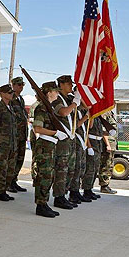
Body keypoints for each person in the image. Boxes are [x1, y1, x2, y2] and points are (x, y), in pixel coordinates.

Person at [32, 82, 68, 217]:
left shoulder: (49, 108)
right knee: (44, 176)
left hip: (50, 145)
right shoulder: (41, 108)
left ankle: (44, 203)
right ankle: (40, 205)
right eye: (56, 91)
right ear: (49, 93)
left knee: (49, 176)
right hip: (45, 145)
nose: (58, 93)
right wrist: (55, 133)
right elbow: (37, 128)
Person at [50, 75, 79, 210]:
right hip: (62, 142)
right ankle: (58, 197)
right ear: (61, 85)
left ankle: (64, 194)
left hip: (69, 140)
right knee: (61, 169)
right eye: (68, 84)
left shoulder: (68, 99)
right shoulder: (57, 100)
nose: (71, 86)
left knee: (69, 169)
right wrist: (74, 104)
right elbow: (63, 112)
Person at [0, 84, 17, 202]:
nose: (11, 95)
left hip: (12, 143)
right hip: (2, 143)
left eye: (11, 93)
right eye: (8, 93)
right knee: (2, 167)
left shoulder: (10, 107)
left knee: (10, 168)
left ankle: (5, 189)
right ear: (2, 94)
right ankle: (0, 191)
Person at [69, 102, 92, 203]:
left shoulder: (82, 111)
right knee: (76, 168)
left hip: (82, 142)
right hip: (77, 141)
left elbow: (88, 127)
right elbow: (76, 125)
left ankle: (77, 191)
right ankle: (73, 193)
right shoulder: (75, 110)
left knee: (81, 169)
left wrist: (90, 115)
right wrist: (85, 117)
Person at [9, 77, 28, 193]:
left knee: (20, 159)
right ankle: (9, 182)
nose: (21, 87)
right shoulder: (11, 98)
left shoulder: (21, 99)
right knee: (13, 160)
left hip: (22, 135)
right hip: (15, 135)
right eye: (19, 85)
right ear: (14, 85)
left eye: (22, 85)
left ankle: (14, 180)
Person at [81, 116, 104, 200]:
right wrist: (89, 146)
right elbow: (86, 131)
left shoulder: (98, 117)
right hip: (92, 143)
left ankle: (90, 188)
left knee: (95, 168)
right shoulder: (90, 116)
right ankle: (86, 190)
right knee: (90, 168)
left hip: (98, 143)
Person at [98, 110, 118, 194]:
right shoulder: (104, 113)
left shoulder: (110, 113)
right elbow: (103, 131)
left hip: (112, 142)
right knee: (106, 165)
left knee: (109, 165)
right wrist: (107, 144)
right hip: (107, 143)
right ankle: (104, 185)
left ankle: (106, 185)